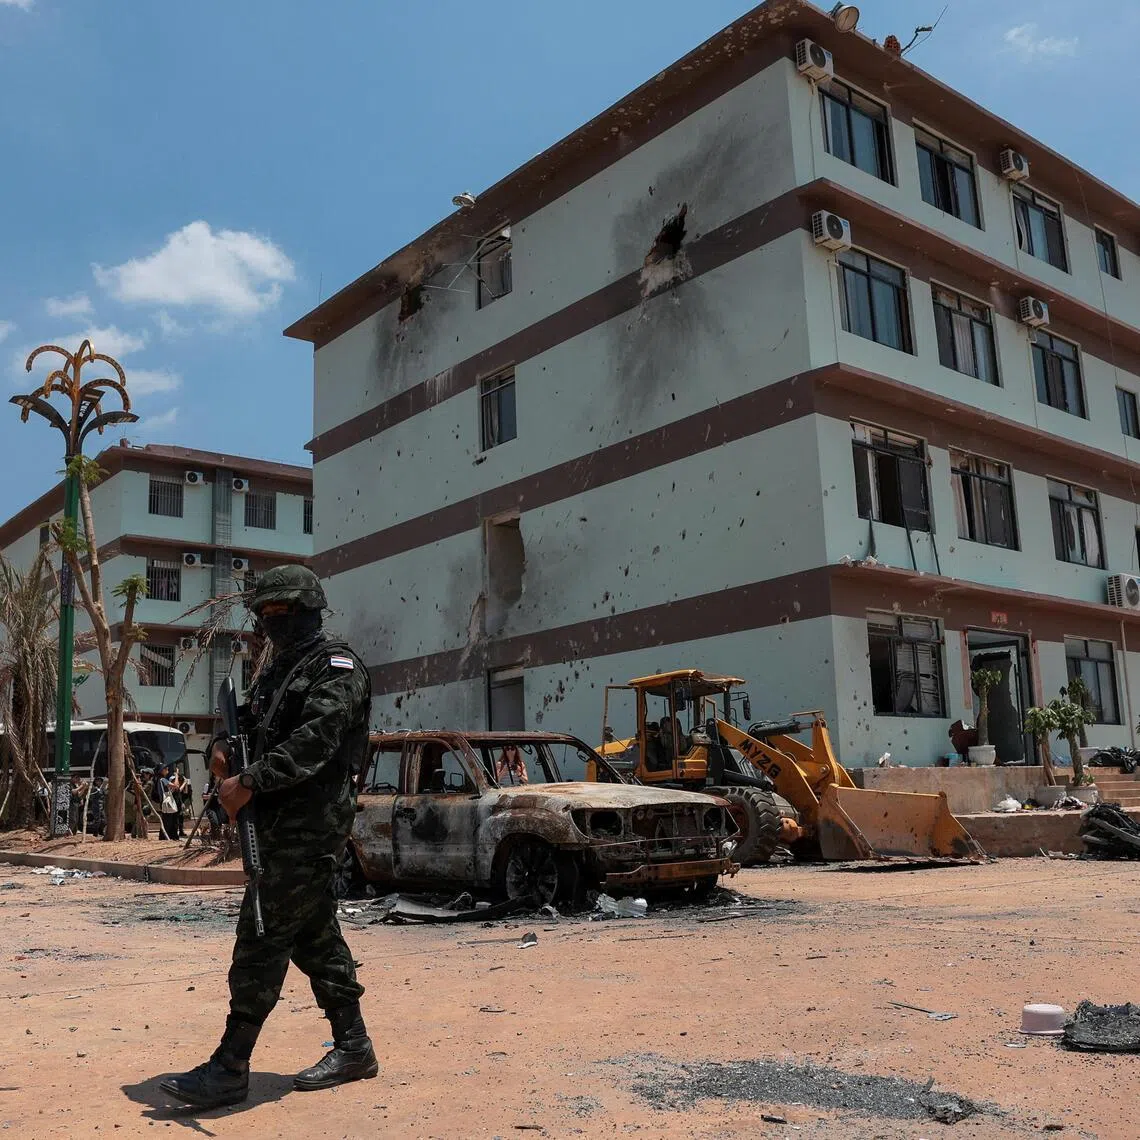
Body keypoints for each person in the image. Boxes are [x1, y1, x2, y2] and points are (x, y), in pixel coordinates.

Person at [160, 565, 375, 1109]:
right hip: (275, 824)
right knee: (314, 936)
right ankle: (354, 1047)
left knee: (261, 936)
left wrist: (251, 779)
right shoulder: (276, 672)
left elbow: (316, 738)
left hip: (310, 827)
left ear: (308, 610)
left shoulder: (336, 667)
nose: (272, 624)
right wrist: (221, 751)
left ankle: (230, 1066)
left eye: (281, 613)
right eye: (264, 616)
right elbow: (247, 724)